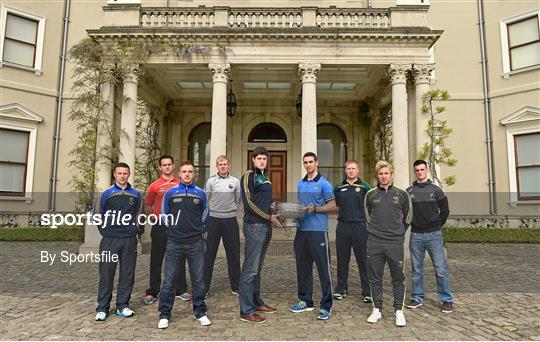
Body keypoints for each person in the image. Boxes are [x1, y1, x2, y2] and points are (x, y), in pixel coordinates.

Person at [157, 161, 211, 328]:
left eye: (190, 172)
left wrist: (197, 230)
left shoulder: (201, 194)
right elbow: (164, 214)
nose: (187, 174)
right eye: (184, 172)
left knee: (198, 280)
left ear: (194, 174)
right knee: (169, 280)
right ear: (179, 174)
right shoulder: (171, 193)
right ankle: (164, 315)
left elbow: (206, 214)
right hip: (174, 243)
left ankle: (200, 312)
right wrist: (173, 230)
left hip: (195, 243)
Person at [364, 161, 412, 327]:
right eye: (380, 174)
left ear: (391, 175)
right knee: (375, 278)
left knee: (398, 277)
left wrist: (399, 231)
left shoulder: (402, 194)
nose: (383, 176)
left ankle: (398, 311)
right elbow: (367, 216)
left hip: (395, 242)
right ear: (377, 175)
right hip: (375, 242)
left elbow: (409, 215)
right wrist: (375, 231)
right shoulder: (370, 194)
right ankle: (377, 309)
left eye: (386, 173)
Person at [239, 146, 282, 324]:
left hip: (265, 226)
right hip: (254, 226)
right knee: (250, 269)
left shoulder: (264, 177)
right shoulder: (249, 175)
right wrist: (268, 216)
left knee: (257, 268)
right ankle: (246, 310)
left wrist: (272, 206)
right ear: (253, 160)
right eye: (259, 158)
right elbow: (248, 203)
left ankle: (256, 303)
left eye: (264, 158)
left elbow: (262, 200)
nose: (262, 161)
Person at [290, 152, 336, 320]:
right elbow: (301, 206)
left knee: (324, 269)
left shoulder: (324, 184)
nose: (308, 165)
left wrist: (316, 209)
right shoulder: (300, 183)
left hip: (318, 232)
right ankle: (305, 300)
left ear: (316, 162)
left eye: (311, 162)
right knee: (302, 268)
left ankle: (326, 305)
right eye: (305, 162)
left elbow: (332, 205)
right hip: (301, 231)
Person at [95, 162, 142, 321]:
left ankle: (122, 305)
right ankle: (102, 308)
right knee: (106, 273)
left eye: (125, 173)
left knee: (127, 274)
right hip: (110, 239)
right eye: (119, 173)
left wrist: (134, 231)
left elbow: (138, 215)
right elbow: (97, 214)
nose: (122, 176)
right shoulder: (106, 193)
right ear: (115, 174)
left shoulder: (136, 194)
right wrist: (106, 231)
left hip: (129, 239)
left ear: (129, 175)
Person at [406, 159, 453, 313]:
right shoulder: (409, 192)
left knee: (440, 269)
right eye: (417, 170)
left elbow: (445, 211)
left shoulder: (436, 190)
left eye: (422, 169)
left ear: (426, 170)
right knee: (416, 269)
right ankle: (417, 298)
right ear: (415, 172)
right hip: (416, 236)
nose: (420, 172)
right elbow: (405, 214)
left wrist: (437, 225)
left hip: (434, 235)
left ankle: (446, 299)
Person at [143, 155, 191, 305]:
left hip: (177, 227)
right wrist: (153, 217)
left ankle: (181, 289)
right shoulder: (154, 186)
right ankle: (153, 291)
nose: (167, 167)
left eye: (169, 164)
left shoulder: (181, 184)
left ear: (173, 166)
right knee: (156, 259)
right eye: (164, 165)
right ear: (160, 167)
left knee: (179, 258)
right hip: (160, 227)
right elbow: (148, 204)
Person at [333, 160, 372, 303]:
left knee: (363, 259)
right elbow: (336, 205)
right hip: (343, 226)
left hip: (360, 227)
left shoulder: (365, 187)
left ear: (358, 170)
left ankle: (367, 291)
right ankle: (341, 289)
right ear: (345, 171)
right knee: (342, 259)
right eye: (348, 168)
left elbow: (371, 205)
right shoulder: (338, 187)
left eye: (353, 168)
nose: (350, 171)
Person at [204, 155, 242, 297]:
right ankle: (205, 288)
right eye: (220, 164)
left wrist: (229, 210)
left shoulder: (235, 182)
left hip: (230, 221)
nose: (223, 166)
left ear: (228, 165)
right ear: (217, 166)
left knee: (234, 255)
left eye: (225, 164)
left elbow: (238, 201)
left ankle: (236, 287)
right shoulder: (211, 181)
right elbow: (205, 201)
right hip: (213, 221)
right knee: (208, 255)